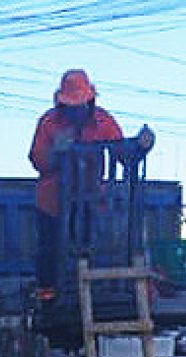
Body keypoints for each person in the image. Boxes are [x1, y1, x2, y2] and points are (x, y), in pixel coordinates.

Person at [29, 68, 123, 295]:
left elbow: (121, 151)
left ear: (89, 101)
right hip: (53, 201)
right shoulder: (49, 123)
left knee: (90, 246)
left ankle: (91, 290)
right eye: (70, 106)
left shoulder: (103, 121)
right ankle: (48, 296)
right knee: (50, 249)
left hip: (89, 197)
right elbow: (38, 160)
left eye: (79, 106)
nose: (75, 111)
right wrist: (56, 152)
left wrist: (139, 146)